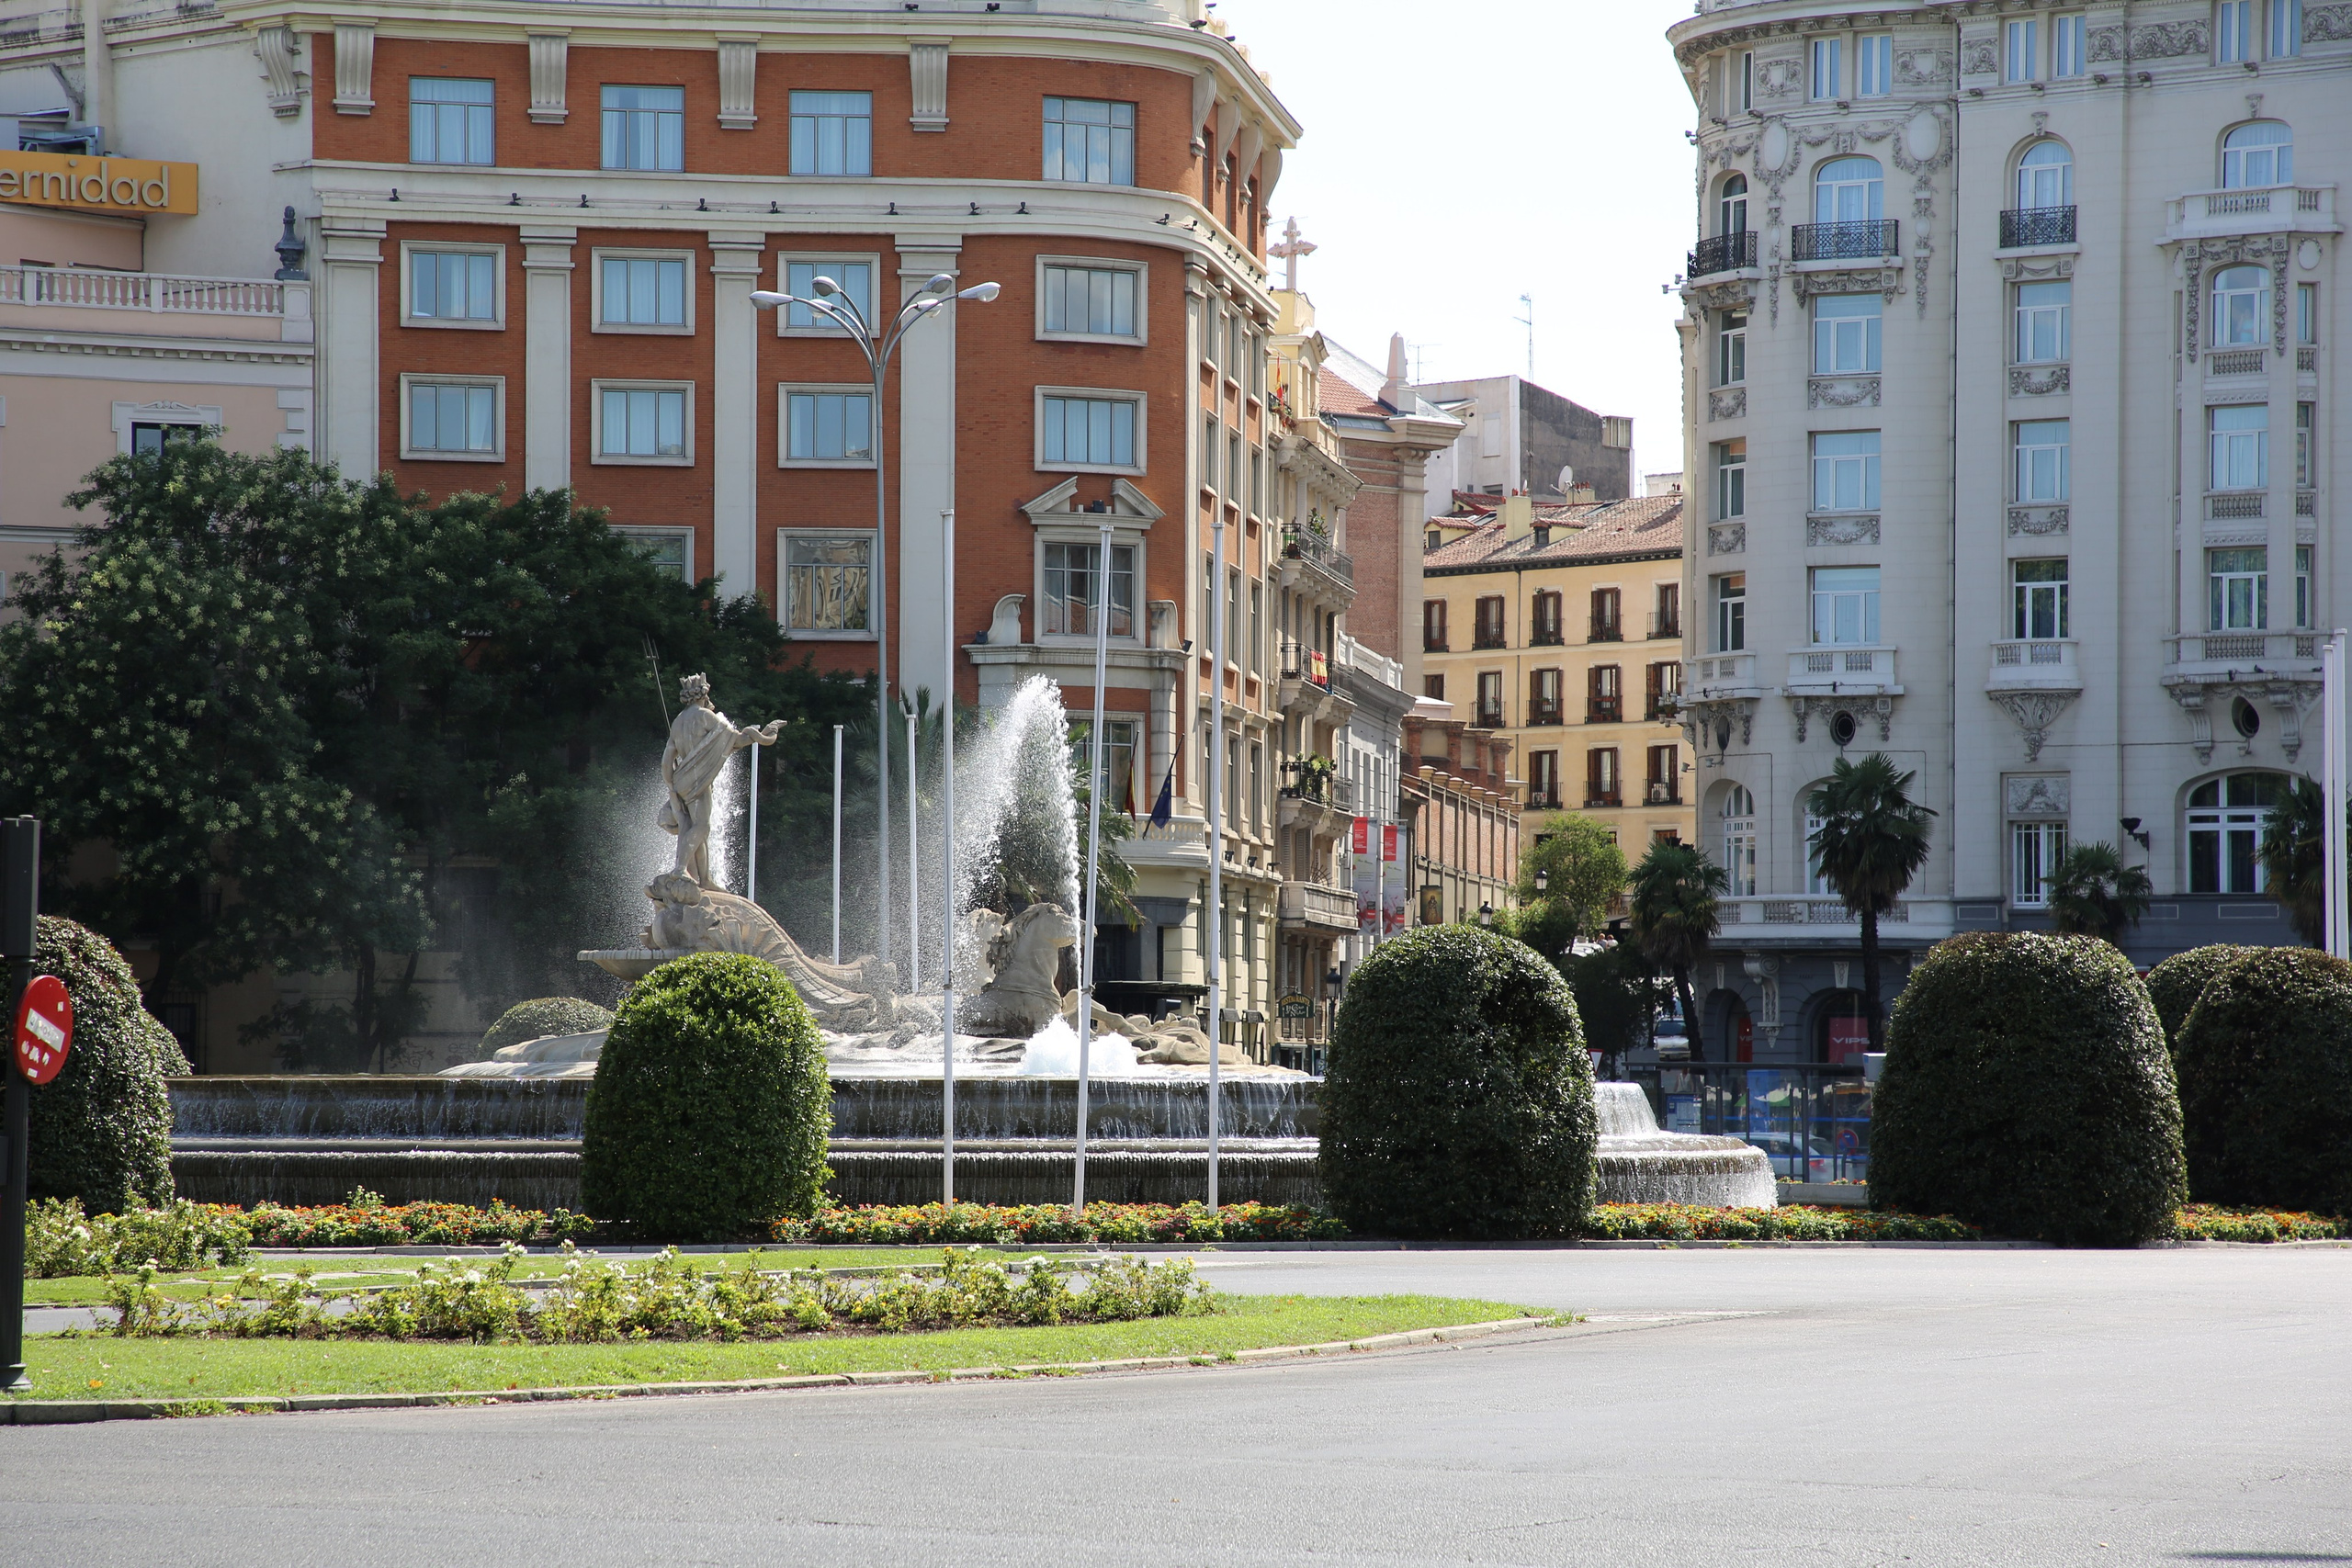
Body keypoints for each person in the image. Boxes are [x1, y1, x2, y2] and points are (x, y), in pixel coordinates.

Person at [657, 673, 781, 888]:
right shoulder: (705, 716)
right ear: (702, 695)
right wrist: (764, 734)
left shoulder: (677, 722)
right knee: (702, 826)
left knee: (696, 829)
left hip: (681, 781)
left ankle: (704, 879)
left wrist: (671, 788)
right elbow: (737, 740)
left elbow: (667, 761)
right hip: (699, 781)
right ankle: (680, 868)